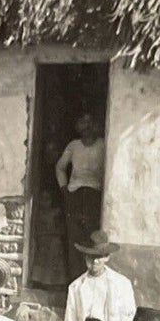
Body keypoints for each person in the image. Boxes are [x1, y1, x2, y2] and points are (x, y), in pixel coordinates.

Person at [55, 110, 106, 262]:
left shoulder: (103, 144)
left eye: (90, 122)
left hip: (94, 196)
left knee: (91, 238)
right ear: (78, 126)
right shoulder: (74, 146)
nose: (87, 127)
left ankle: (88, 277)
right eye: (83, 123)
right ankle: (74, 279)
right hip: (75, 195)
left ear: (96, 125)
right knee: (74, 238)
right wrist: (65, 189)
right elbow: (60, 167)